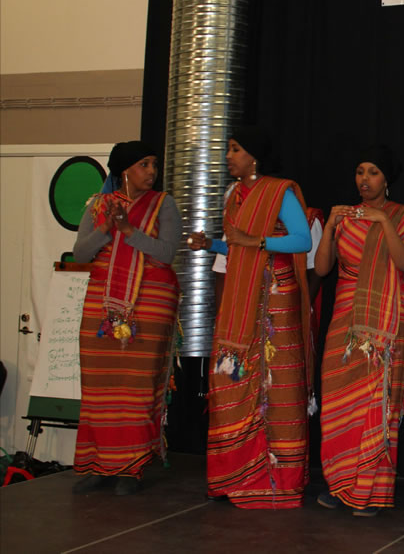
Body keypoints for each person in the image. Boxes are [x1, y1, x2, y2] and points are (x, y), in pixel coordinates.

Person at [186, 126, 313, 509]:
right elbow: (237, 246)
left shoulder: (279, 191)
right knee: (232, 381)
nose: (229, 156)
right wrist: (212, 244)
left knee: (277, 387)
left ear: (253, 156)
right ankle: (233, 476)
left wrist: (255, 241)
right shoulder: (235, 195)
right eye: (229, 149)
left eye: (235, 149)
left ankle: (275, 479)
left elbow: (302, 240)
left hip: (275, 299)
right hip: (241, 297)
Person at [316, 145, 404, 515]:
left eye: (373, 172)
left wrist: (382, 220)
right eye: (360, 171)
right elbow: (322, 269)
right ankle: (340, 484)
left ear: (387, 179)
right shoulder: (345, 217)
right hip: (346, 318)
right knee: (339, 402)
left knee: (377, 405)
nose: (364, 179)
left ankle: (370, 491)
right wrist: (330, 226)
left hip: (388, 321)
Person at [72, 141, 182, 496]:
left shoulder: (164, 204)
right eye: (143, 164)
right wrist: (108, 226)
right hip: (102, 306)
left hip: (148, 305)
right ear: (124, 170)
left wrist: (130, 232)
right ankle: (98, 465)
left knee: (136, 389)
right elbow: (80, 254)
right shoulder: (98, 204)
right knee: (99, 387)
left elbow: (166, 254)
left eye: (153, 164)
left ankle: (130, 468)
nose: (151, 171)